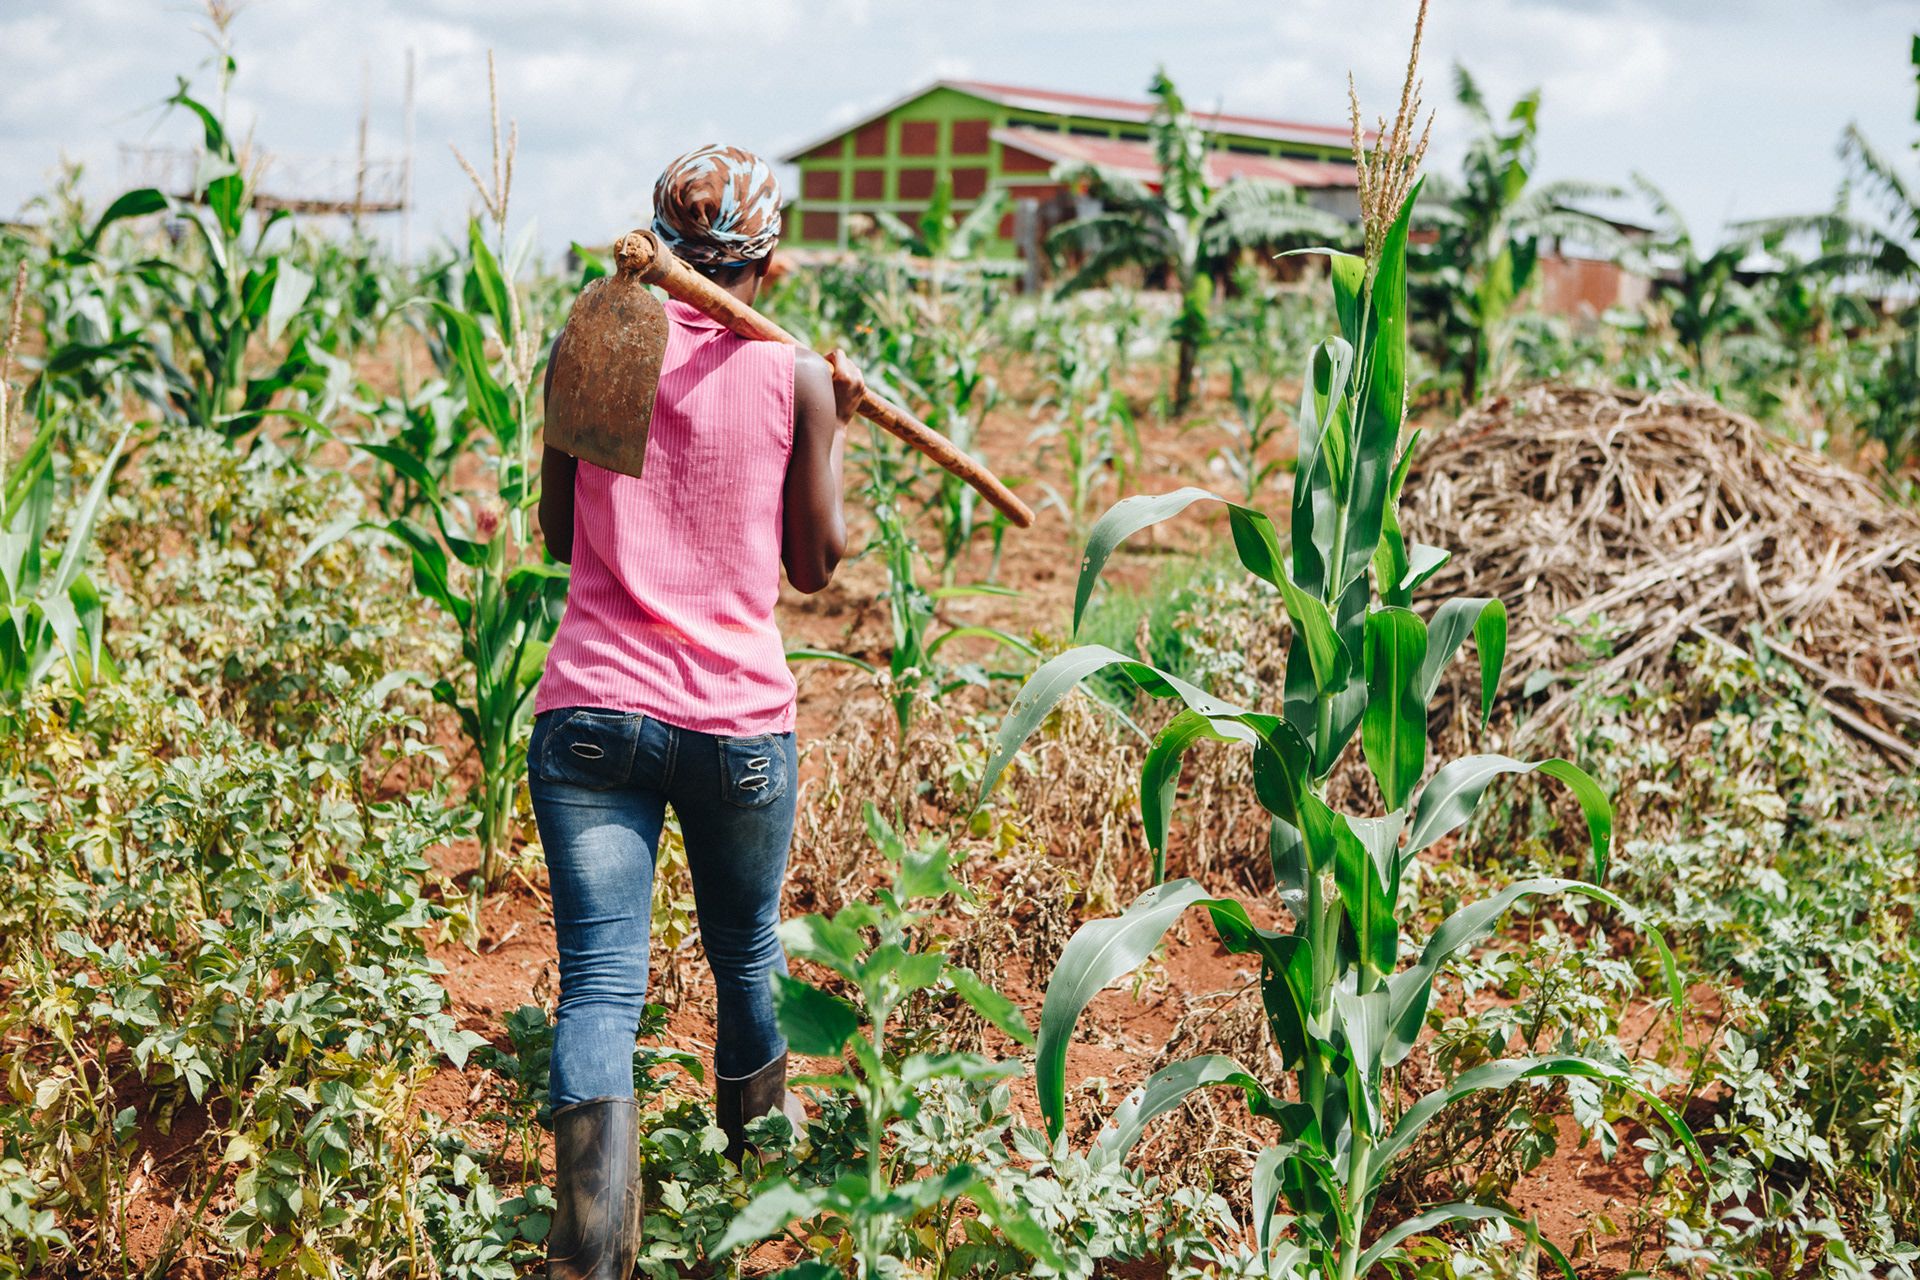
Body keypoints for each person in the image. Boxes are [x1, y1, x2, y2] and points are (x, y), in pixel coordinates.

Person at [530, 143, 865, 1280]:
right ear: (765, 264)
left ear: (659, 245)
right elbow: (814, 566)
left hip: (593, 712)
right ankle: (751, 1205)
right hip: (737, 726)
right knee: (747, 956)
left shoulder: (593, 341)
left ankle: (593, 1257)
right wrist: (831, 427)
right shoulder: (794, 376)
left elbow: (558, 535)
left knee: (601, 985)